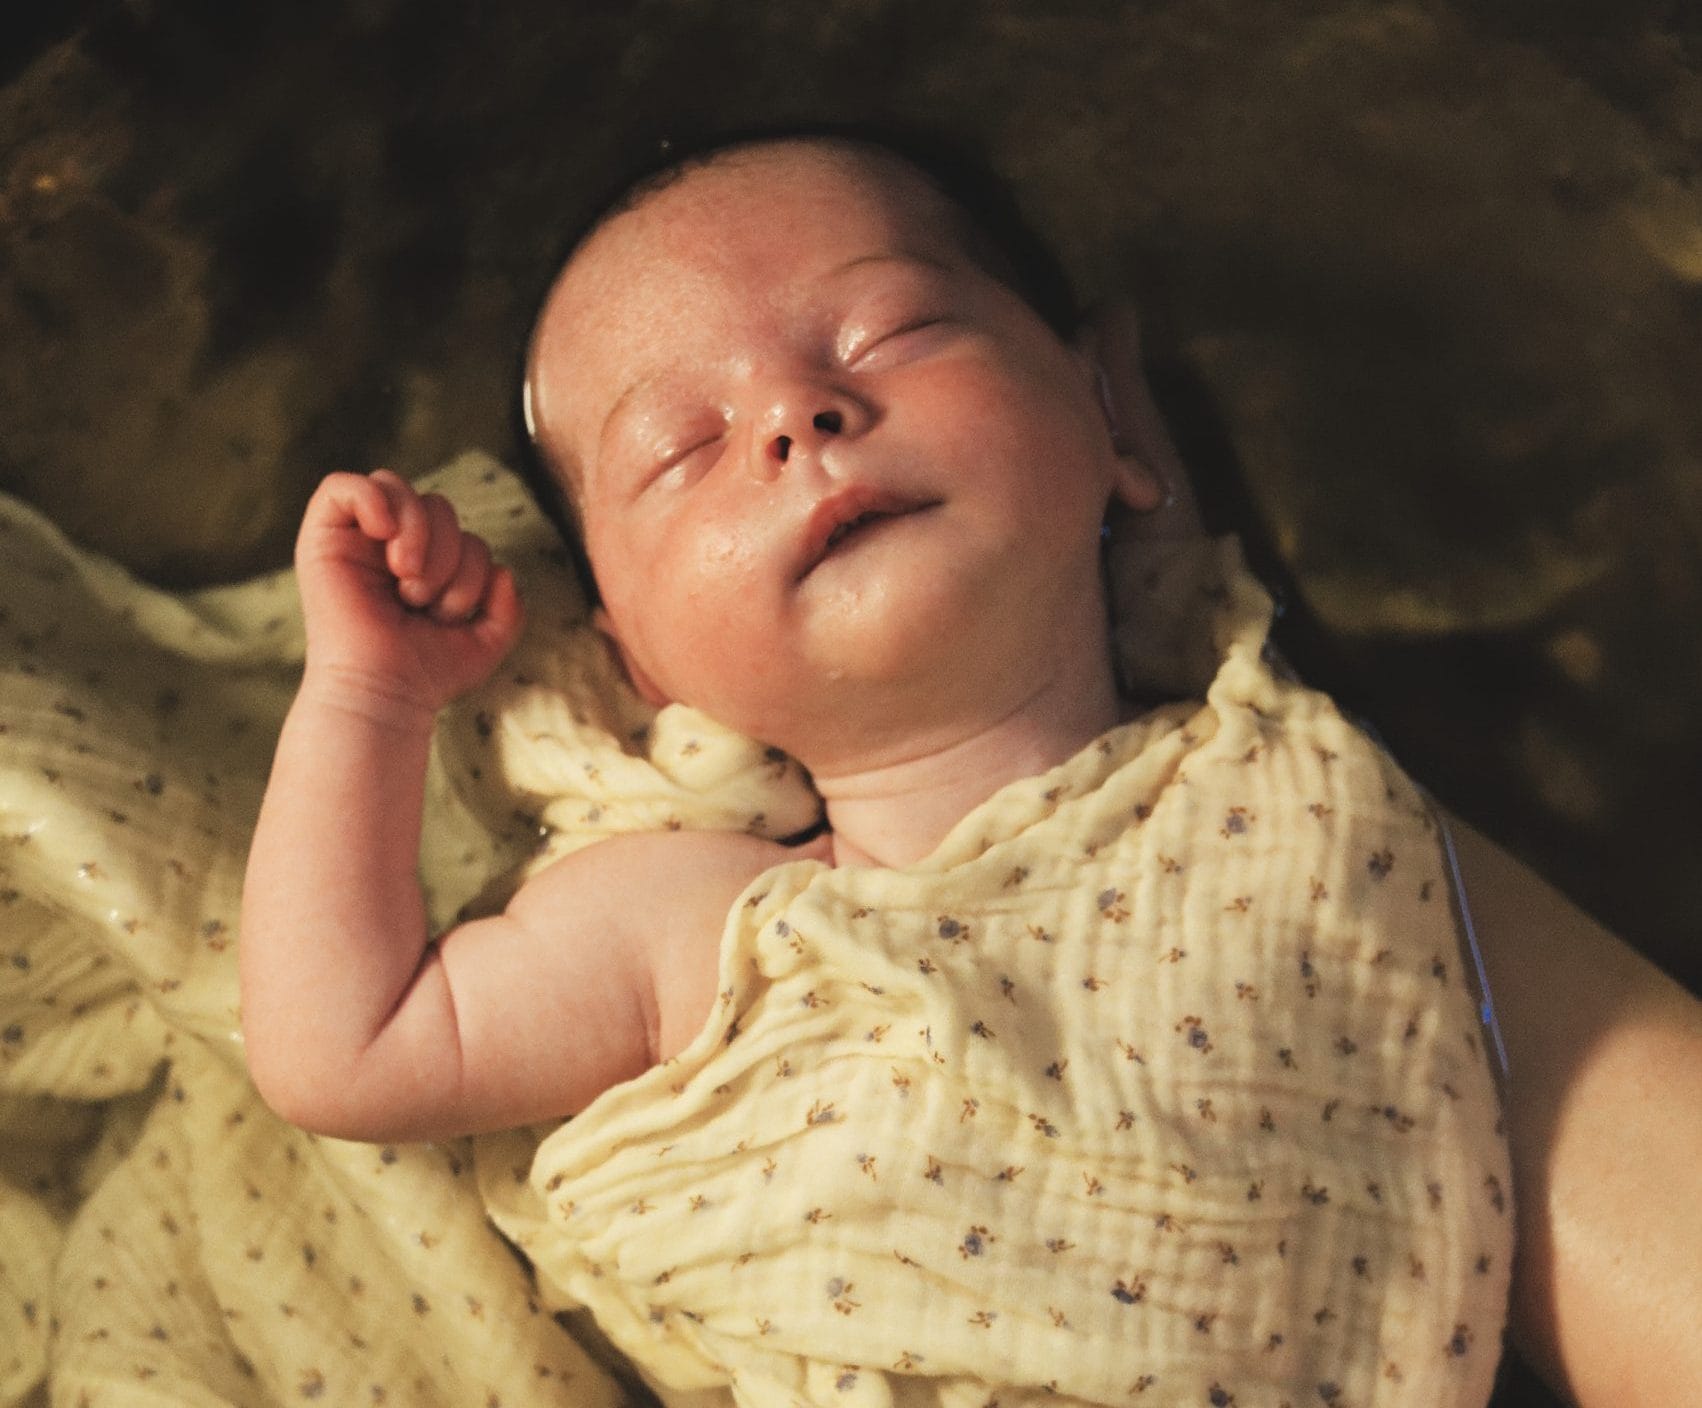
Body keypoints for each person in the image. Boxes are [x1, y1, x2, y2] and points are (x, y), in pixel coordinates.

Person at [240, 133, 1702, 1408]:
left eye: (887, 336)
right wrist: (370, 694)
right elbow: (342, 1045)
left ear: (1107, 429)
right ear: (640, 657)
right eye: (683, 448)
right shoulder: (687, 925)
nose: (794, 419)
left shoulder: (1261, 768)